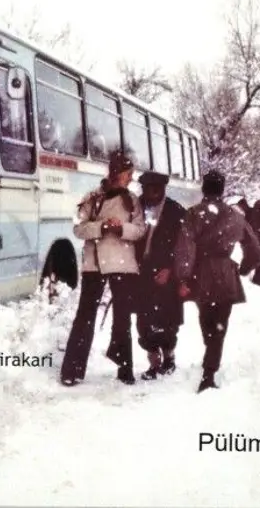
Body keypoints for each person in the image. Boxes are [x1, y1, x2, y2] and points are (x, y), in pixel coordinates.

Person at [60, 151, 147, 386]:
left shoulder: (132, 201)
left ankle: (125, 369)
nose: (130, 178)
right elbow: (78, 228)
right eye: (128, 174)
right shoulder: (93, 198)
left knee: (122, 319)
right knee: (85, 317)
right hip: (95, 265)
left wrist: (121, 229)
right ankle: (72, 370)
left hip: (123, 264)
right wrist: (101, 227)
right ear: (116, 174)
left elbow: (140, 230)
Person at [173, 170, 260, 393]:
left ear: (204, 188)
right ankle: (210, 367)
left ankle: (209, 361)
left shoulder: (194, 213)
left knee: (206, 318)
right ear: (222, 190)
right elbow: (254, 248)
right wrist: (245, 268)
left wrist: (183, 276)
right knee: (220, 323)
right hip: (226, 274)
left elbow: (185, 248)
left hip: (201, 273)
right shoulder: (236, 216)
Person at [134, 171, 188, 381]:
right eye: (147, 190)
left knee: (167, 319)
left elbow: (185, 247)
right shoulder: (136, 207)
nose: (151, 194)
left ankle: (169, 358)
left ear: (163, 190)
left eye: (156, 190)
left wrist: (171, 269)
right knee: (144, 320)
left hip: (166, 272)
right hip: (141, 272)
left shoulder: (176, 211)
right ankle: (153, 362)